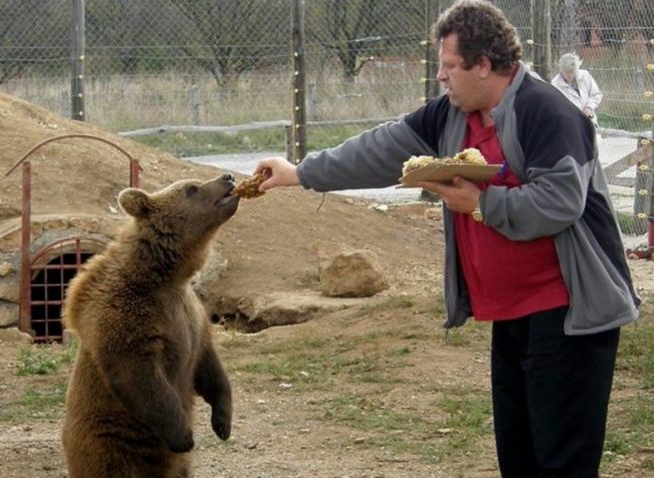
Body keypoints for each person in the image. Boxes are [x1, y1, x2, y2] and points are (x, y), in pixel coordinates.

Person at [253, 1, 640, 477]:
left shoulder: (548, 111)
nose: (441, 76)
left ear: (484, 65)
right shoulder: (453, 114)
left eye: (450, 65)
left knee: (562, 466)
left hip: (568, 315)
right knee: (519, 462)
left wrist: (479, 204)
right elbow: (381, 148)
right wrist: (300, 173)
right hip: (513, 315)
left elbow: (560, 202)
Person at [551, 52, 603, 126]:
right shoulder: (555, 85)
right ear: (561, 70)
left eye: (573, 72)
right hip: (568, 124)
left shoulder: (585, 75)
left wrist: (589, 107)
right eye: (567, 72)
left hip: (589, 120)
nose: (570, 75)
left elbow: (596, 95)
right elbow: (556, 109)